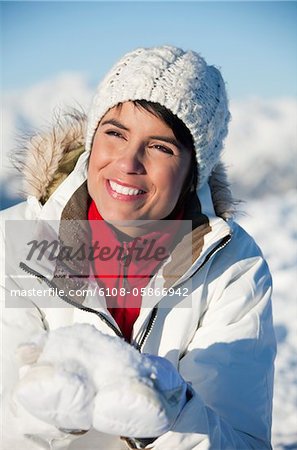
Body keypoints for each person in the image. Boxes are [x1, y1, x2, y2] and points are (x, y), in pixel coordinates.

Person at [1, 46, 276, 450]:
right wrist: (50, 410)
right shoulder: (15, 240)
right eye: (115, 133)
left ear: (191, 173)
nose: (129, 161)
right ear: (93, 139)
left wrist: (170, 414)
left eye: (161, 146)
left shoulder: (230, 264)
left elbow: (244, 441)